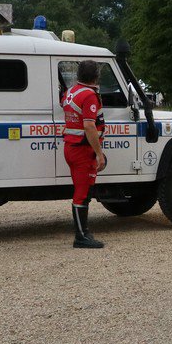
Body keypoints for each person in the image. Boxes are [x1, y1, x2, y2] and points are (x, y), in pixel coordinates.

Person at [62, 60, 107, 248]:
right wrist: (99, 153)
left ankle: (83, 233)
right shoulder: (89, 96)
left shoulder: (71, 92)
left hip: (71, 147)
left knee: (82, 191)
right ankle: (81, 236)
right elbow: (89, 125)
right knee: (82, 193)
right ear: (95, 76)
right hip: (82, 150)